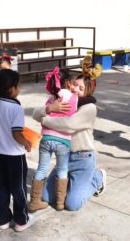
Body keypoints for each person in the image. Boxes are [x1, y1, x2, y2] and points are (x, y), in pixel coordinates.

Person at [32, 74, 106, 211]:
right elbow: (35, 113)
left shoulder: (89, 107)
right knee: (46, 198)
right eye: (75, 84)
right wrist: (49, 109)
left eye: (81, 88)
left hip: (82, 159)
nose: (76, 89)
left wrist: (45, 120)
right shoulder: (61, 99)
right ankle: (72, 184)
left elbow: (69, 124)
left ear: (87, 92)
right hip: (63, 157)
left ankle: (97, 177)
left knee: (72, 205)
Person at [0, 69, 32, 232]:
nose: (19, 89)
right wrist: (27, 143)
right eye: (18, 86)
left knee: (0, 187)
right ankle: (21, 220)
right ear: (11, 88)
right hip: (14, 156)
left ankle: (3, 219)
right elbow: (16, 134)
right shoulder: (15, 107)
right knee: (18, 188)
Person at [29, 67, 78, 212]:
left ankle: (34, 202)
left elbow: (42, 114)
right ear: (68, 83)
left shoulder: (51, 99)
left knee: (42, 169)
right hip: (63, 140)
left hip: (46, 138)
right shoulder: (74, 98)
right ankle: (60, 203)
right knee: (62, 169)